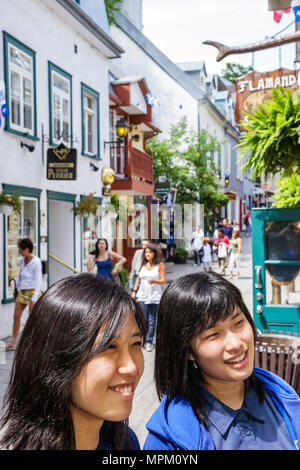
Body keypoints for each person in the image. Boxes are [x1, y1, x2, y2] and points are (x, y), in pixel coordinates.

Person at [143, 272, 300, 450]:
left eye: (238, 322)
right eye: (213, 334)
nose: (235, 344)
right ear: (187, 351)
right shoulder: (169, 440)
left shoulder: (281, 397)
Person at [0, 273, 147, 450]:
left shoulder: (125, 442)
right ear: (55, 360)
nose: (131, 367)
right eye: (109, 347)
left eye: (135, 343)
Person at [4, 238, 42, 351]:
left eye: (21, 249)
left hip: (32, 292)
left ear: (27, 249)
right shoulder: (22, 260)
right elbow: (20, 274)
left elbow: (38, 280)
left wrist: (34, 298)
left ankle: (32, 343)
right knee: (16, 316)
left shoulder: (36, 261)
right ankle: (13, 342)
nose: (20, 251)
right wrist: (16, 289)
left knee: (32, 319)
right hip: (23, 291)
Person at [131, 243, 166, 352]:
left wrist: (154, 281)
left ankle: (149, 342)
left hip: (155, 296)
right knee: (142, 319)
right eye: (146, 252)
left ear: (154, 254)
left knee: (152, 320)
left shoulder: (159, 265)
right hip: (142, 295)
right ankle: (142, 339)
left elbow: (163, 280)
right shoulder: (143, 264)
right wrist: (134, 291)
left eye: (150, 252)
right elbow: (138, 279)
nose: (147, 254)